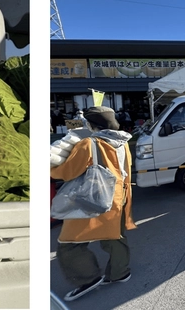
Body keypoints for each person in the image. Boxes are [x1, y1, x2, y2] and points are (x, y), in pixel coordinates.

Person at [51, 106, 136, 302]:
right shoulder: (123, 141)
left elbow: (67, 171)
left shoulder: (88, 144)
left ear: (90, 124)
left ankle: (88, 278)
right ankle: (119, 272)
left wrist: (51, 169)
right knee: (114, 236)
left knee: (69, 243)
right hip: (117, 198)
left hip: (92, 199)